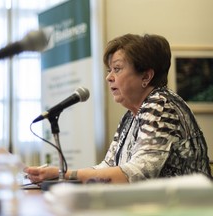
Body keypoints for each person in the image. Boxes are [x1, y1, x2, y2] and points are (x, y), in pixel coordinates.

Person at [25, 33, 212, 184]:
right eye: (109, 71)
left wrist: (65, 176)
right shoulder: (131, 115)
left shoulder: (161, 104)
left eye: (117, 69)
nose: (109, 78)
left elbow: (137, 174)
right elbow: (107, 166)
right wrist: (59, 174)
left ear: (146, 76)